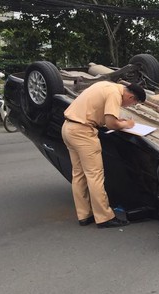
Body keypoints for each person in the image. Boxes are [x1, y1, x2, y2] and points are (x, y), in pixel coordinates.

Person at [61, 81, 146, 228]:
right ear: (131, 97)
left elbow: (101, 114)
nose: (126, 106)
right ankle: (104, 217)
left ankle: (84, 215)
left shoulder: (105, 85)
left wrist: (118, 121)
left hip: (68, 128)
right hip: (83, 132)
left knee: (79, 174)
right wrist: (127, 124)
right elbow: (112, 124)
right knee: (95, 175)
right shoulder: (115, 94)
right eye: (131, 104)